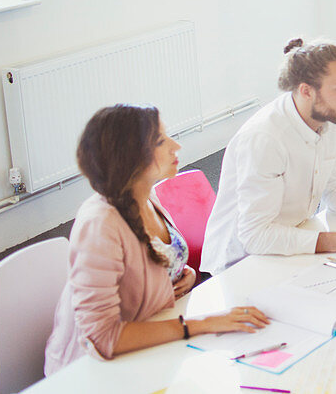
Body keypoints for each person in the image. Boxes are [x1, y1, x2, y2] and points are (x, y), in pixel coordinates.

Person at [46, 105, 269, 374]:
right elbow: (103, 338)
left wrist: (180, 273)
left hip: (149, 336)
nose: (176, 146)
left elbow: (149, 261)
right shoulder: (100, 224)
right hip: (92, 370)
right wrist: (203, 323)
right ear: (129, 157)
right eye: (161, 141)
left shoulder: (145, 196)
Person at [201, 39, 336, 276]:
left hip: (292, 242)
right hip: (239, 265)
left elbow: (335, 183)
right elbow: (255, 235)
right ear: (306, 91)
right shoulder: (265, 138)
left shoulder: (332, 116)